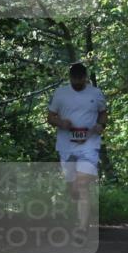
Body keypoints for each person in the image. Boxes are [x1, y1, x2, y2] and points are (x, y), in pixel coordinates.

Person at [46, 63, 107, 231]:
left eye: (81, 78)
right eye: (75, 78)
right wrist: (61, 122)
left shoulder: (96, 93)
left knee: (82, 184)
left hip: (89, 144)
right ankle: (81, 213)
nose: (78, 81)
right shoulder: (61, 93)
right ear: (70, 77)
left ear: (85, 77)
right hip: (66, 146)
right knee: (73, 188)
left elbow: (103, 112)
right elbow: (50, 117)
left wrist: (101, 125)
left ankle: (82, 227)